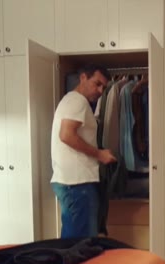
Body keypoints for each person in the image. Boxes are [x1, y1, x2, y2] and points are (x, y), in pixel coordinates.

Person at [50, 65, 115, 239]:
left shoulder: (71, 100)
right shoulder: (77, 101)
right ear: (83, 78)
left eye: (104, 87)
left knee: (77, 240)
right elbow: (66, 135)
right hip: (77, 183)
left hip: (73, 181)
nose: (100, 91)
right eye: (97, 84)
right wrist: (100, 154)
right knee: (80, 243)